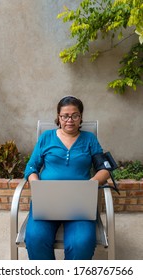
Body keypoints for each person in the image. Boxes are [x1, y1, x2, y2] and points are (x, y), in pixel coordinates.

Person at [24, 96, 110, 260]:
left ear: (81, 117)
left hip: (79, 202)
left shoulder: (89, 139)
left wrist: (91, 184)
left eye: (75, 115)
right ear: (58, 117)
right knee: (36, 238)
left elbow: (104, 169)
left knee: (81, 242)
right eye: (65, 116)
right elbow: (31, 167)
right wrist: (36, 186)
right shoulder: (46, 138)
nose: (70, 120)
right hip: (47, 200)